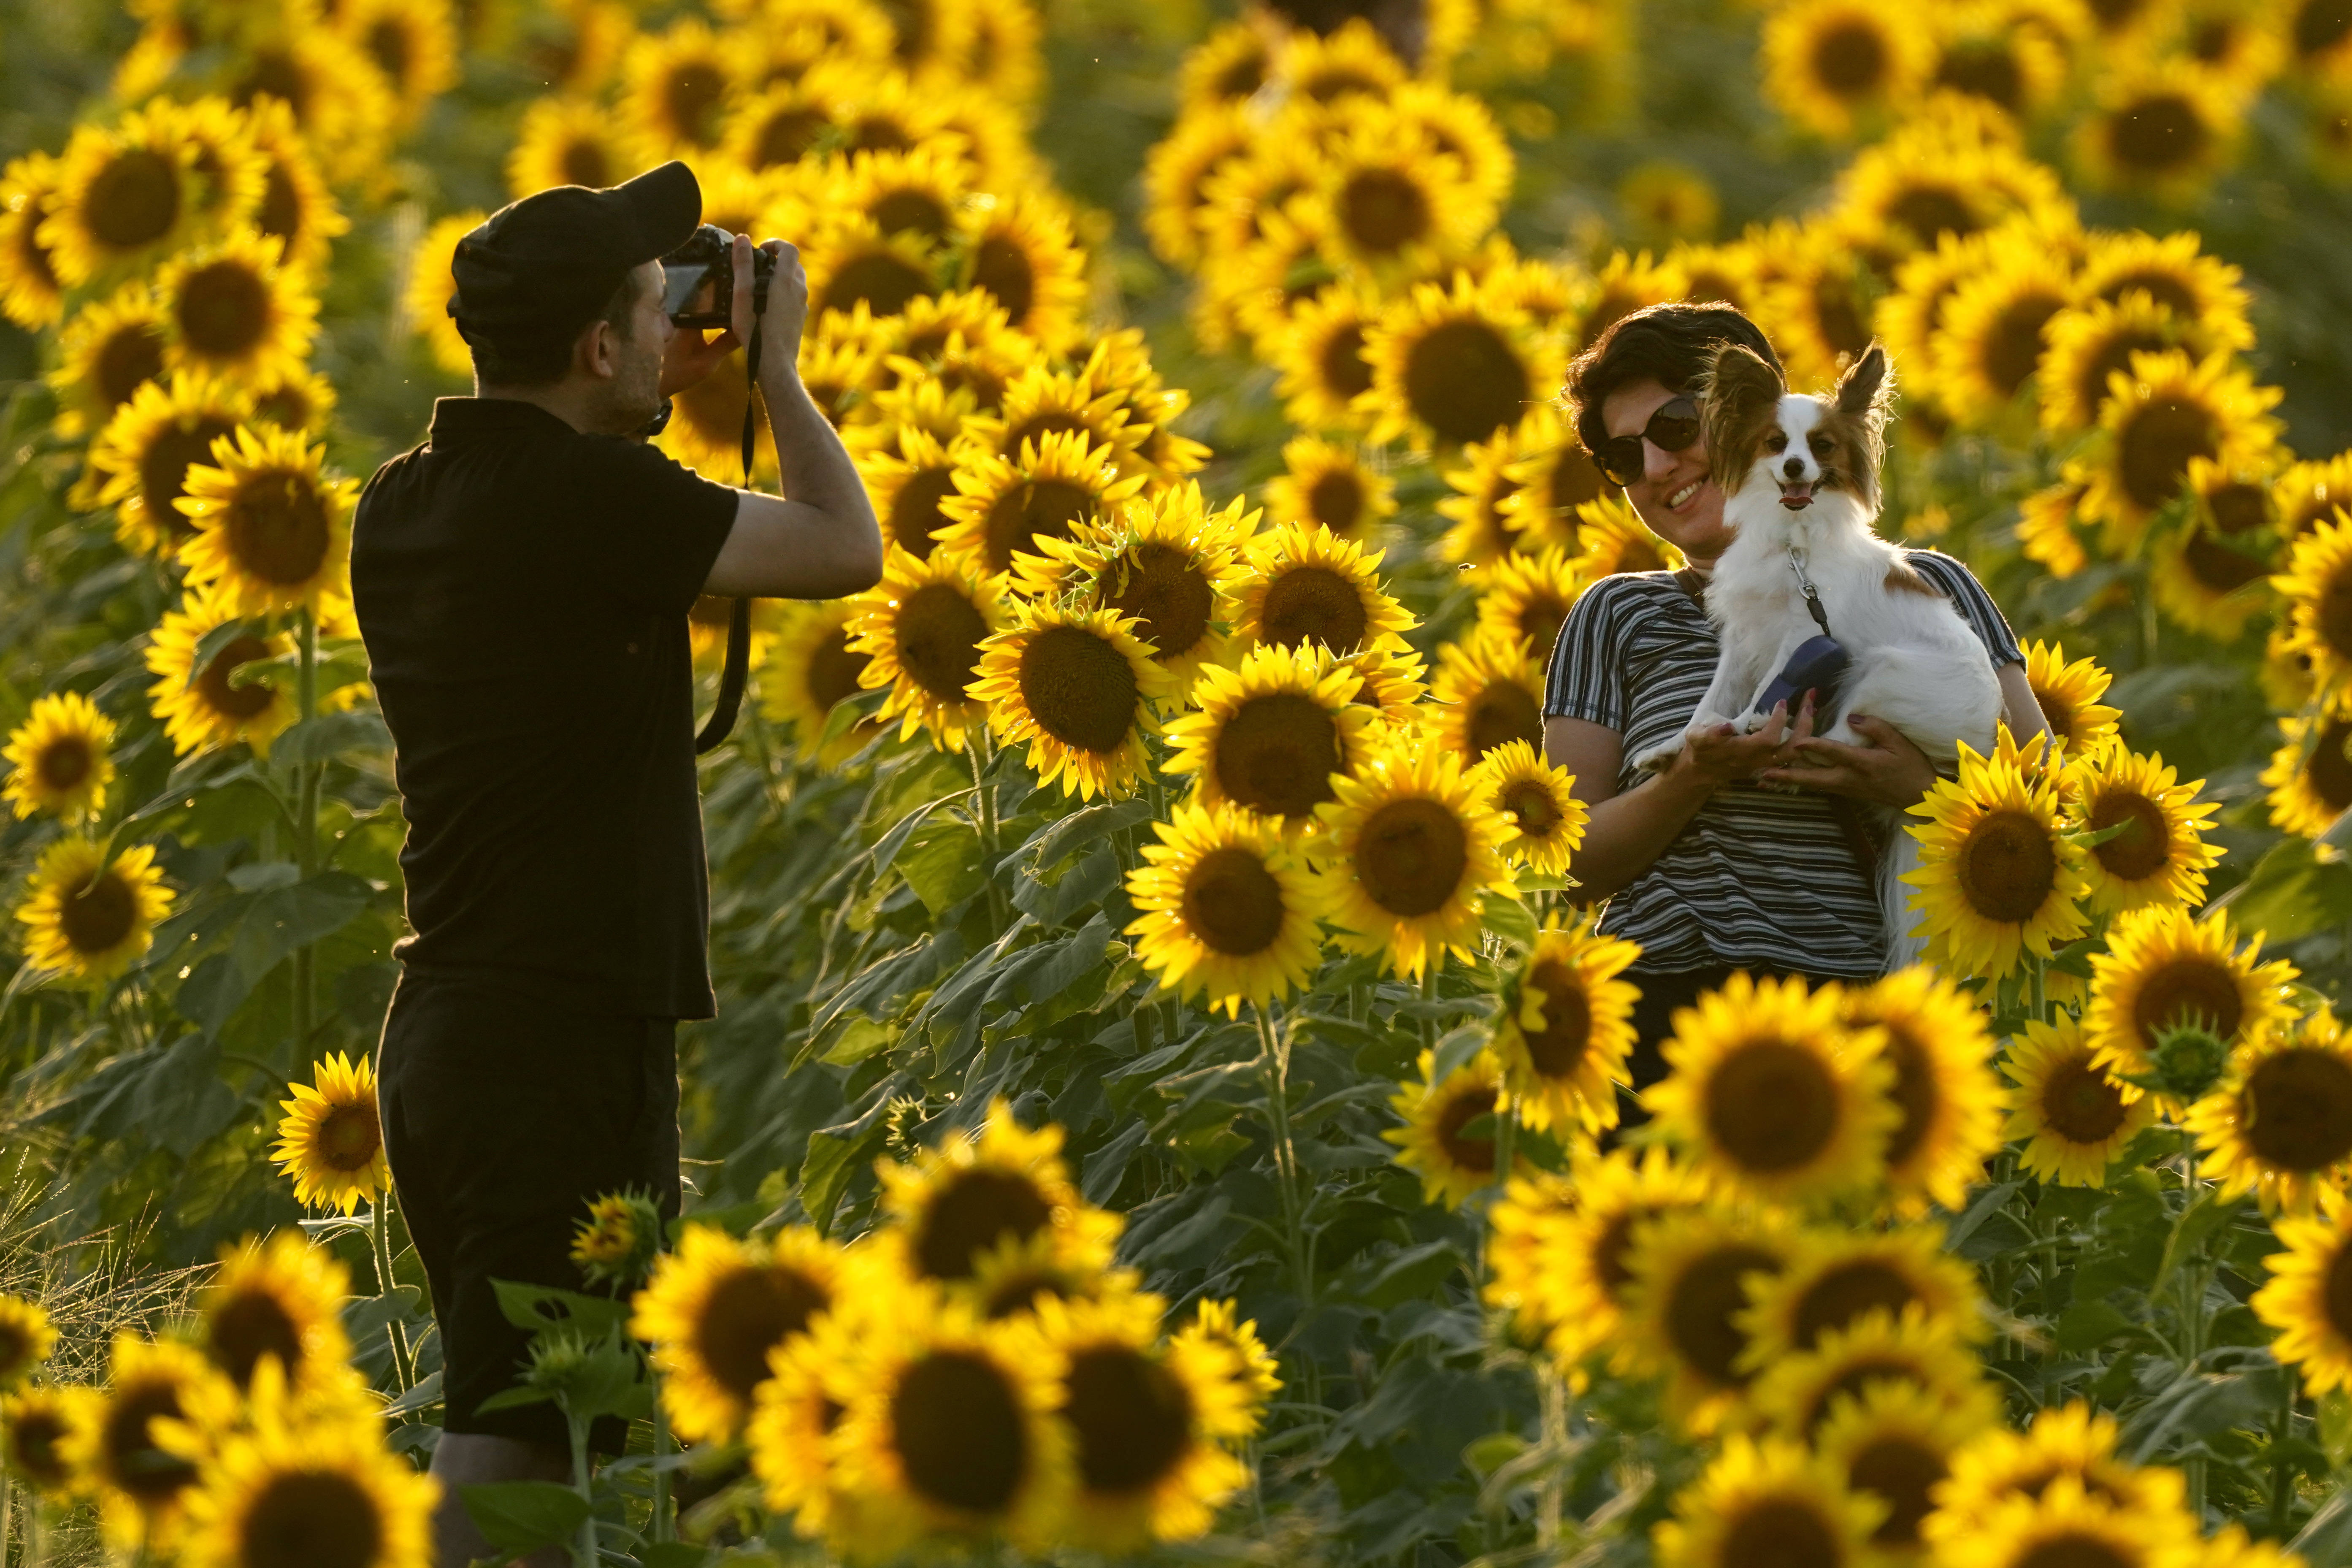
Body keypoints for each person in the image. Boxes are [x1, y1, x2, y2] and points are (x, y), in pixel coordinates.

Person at [348, 161, 882, 1565]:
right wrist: (777, 377)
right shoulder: (598, 503)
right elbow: (842, 547)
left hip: (452, 1031)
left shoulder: (401, 500)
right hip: (553, 1036)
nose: (671, 333)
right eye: (652, 311)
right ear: (595, 346)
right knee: (510, 1438)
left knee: (541, 1420)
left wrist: (659, 368)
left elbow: (583, 518)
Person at [1540, 302, 2047, 1122]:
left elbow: (2047, 811)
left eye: (1675, 425)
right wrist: (1691, 778)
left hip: (1860, 1018)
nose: (1658, 467)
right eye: (1623, 457)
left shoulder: (1926, 586)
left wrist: (1916, 788)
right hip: (1662, 1003)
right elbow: (1568, 861)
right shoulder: (1619, 615)